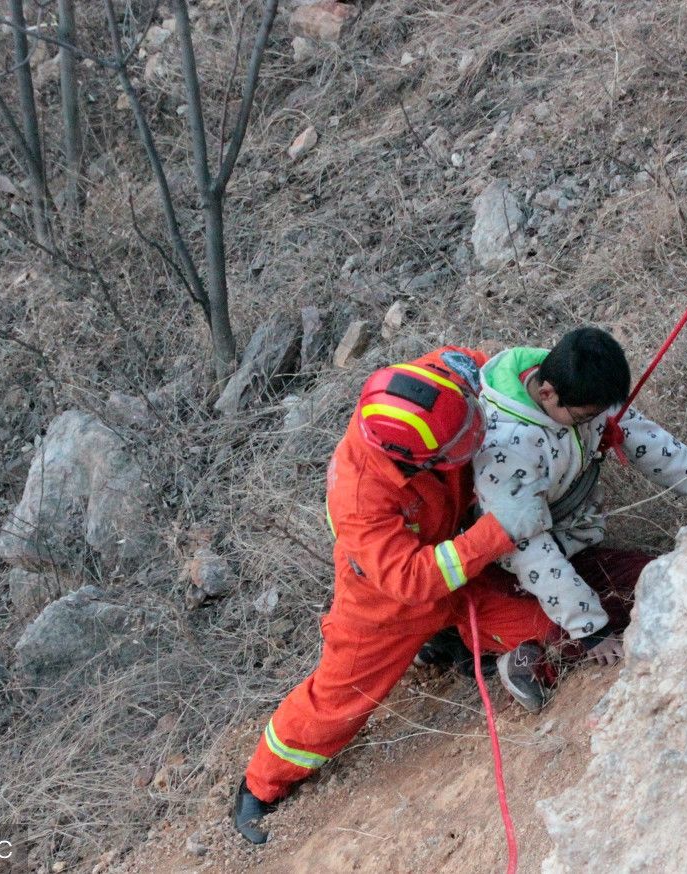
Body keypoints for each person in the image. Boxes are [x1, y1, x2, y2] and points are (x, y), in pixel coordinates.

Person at [233, 346, 556, 844]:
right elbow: (412, 580)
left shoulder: (441, 379)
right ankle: (261, 784)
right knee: (338, 700)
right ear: (411, 459)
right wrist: (498, 532)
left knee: (548, 629)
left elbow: (505, 368)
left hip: (456, 560)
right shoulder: (360, 495)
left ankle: (450, 641)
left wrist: (556, 381)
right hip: (387, 602)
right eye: (460, 441)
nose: (476, 436)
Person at [471, 327, 687, 710]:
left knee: (655, 582)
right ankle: (524, 657)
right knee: (590, 622)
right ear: (547, 394)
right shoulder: (504, 447)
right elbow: (528, 548)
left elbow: (652, 445)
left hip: (569, 542)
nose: (596, 422)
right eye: (587, 417)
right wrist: (590, 629)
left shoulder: (580, 385)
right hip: (510, 565)